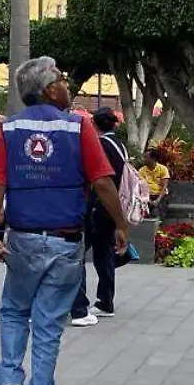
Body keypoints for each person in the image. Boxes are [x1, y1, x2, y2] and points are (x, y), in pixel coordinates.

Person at [0, 57, 129, 385]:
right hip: (65, 240)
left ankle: (9, 380)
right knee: (48, 323)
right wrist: (121, 224)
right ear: (48, 89)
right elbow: (103, 183)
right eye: (62, 80)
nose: (67, 86)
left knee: (15, 310)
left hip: (23, 239)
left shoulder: (8, 129)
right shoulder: (78, 127)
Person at [70, 108, 129, 327]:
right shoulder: (119, 144)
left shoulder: (102, 144)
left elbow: (100, 180)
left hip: (98, 207)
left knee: (77, 253)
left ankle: (81, 303)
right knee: (104, 255)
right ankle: (105, 301)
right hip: (112, 208)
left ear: (93, 122)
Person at [139, 149, 170, 219]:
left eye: (146, 157)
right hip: (146, 196)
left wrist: (157, 200)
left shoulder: (163, 169)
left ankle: (157, 227)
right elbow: (139, 187)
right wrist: (148, 200)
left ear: (153, 159)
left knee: (156, 212)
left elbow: (164, 187)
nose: (144, 159)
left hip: (160, 196)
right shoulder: (142, 170)